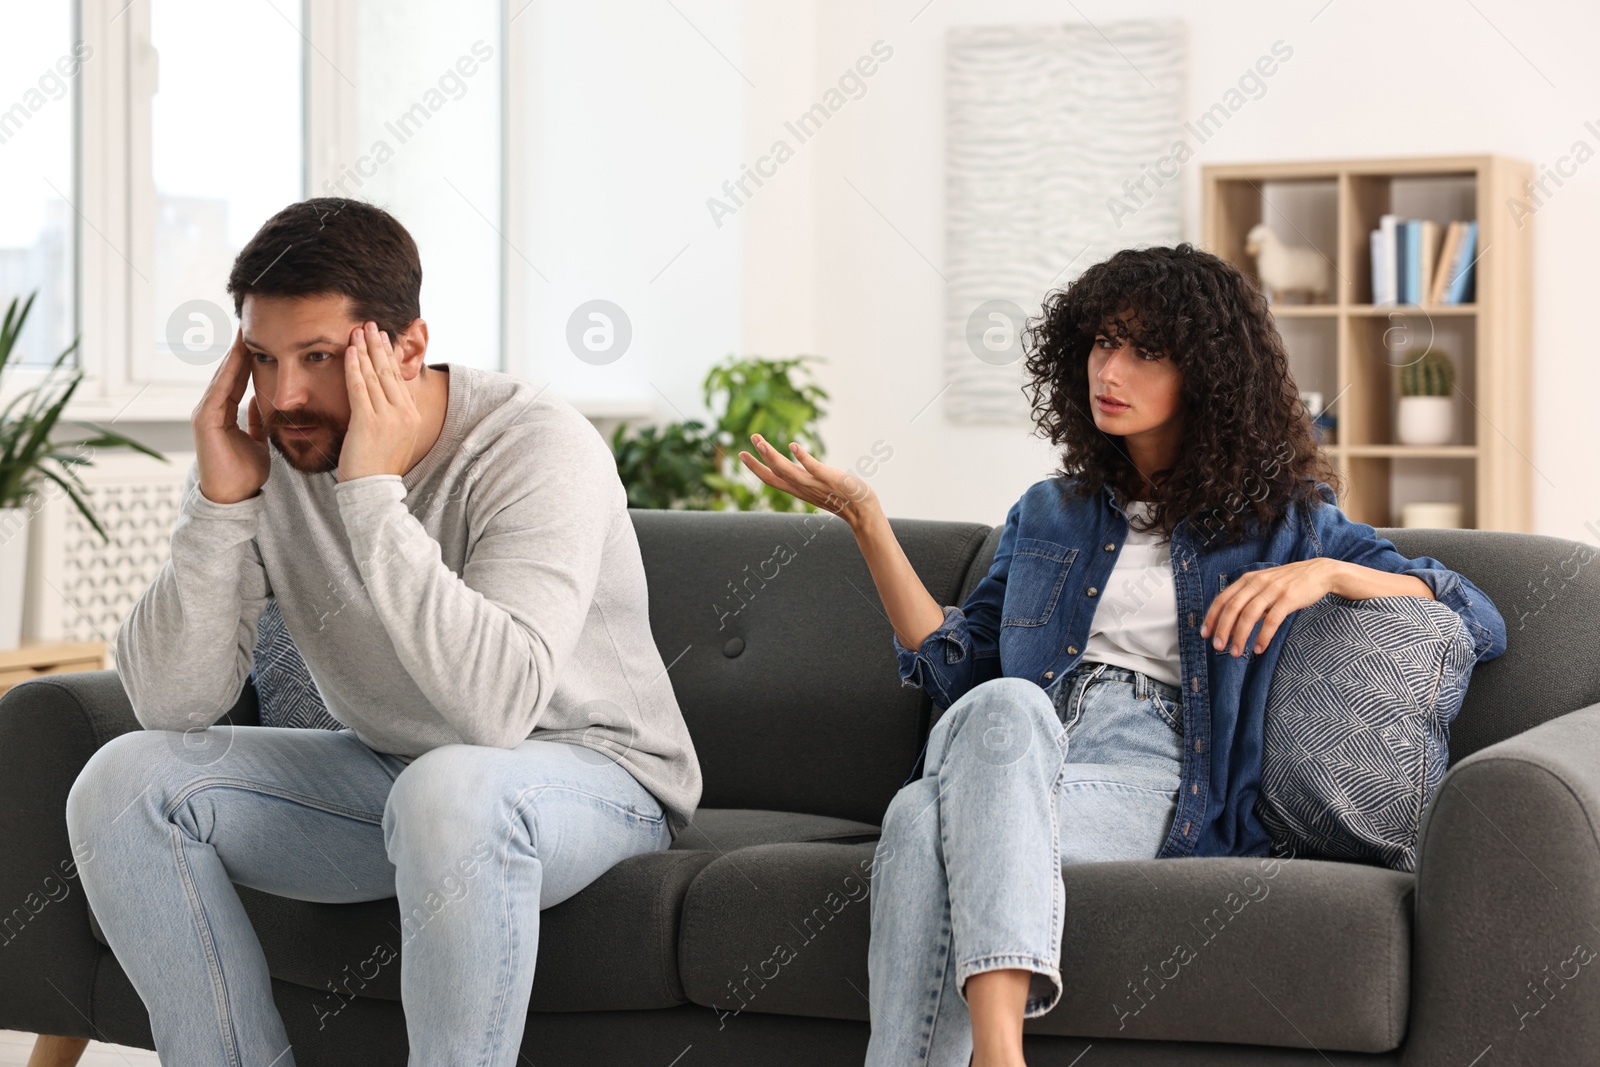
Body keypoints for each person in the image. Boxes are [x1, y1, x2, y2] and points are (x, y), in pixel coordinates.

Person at [738, 243, 1507, 1067]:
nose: (1112, 369)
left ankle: (996, 1053)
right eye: (1104, 343)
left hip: (1155, 772)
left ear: (1206, 377)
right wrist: (866, 520)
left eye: (1147, 351)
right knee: (1004, 704)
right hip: (1016, 743)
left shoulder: (1282, 521)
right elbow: (955, 665)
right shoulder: (1050, 512)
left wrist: (1324, 571)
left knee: (919, 815)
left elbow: (1475, 613)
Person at [64, 197, 701, 1065]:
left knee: (451, 789)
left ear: (404, 348)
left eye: (318, 358)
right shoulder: (278, 447)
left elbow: (495, 713)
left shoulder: (535, 447)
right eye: (262, 357)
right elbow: (175, 701)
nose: (285, 395)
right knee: (123, 783)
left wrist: (372, 496)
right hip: (395, 776)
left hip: (593, 777)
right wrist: (218, 506)